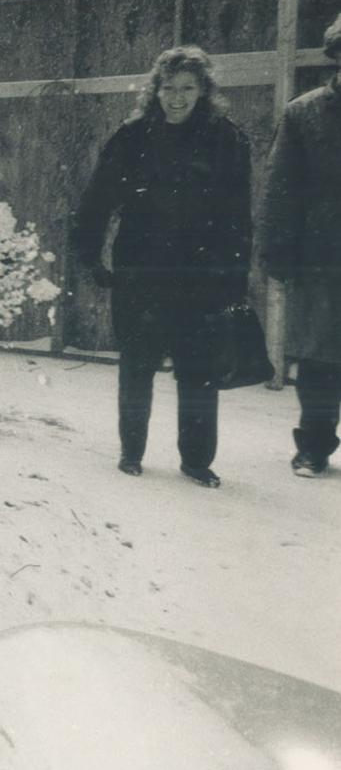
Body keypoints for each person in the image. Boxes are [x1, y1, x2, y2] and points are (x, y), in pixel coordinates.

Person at [72, 46, 252, 487]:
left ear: (204, 91)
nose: (177, 98)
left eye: (187, 88)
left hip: (201, 272)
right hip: (142, 267)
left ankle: (196, 460)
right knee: (137, 363)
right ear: (155, 90)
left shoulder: (227, 139)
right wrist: (91, 255)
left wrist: (235, 274)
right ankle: (131, 451)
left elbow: (237, 215)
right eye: (168, 88)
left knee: (199, 368)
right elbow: (96, 201)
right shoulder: (132, 137)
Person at [260, 15, 341, 478]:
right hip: (323, 258)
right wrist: (278, 251)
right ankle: (313, 446)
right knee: (320, 359)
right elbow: (279, 189)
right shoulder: (304, 114)